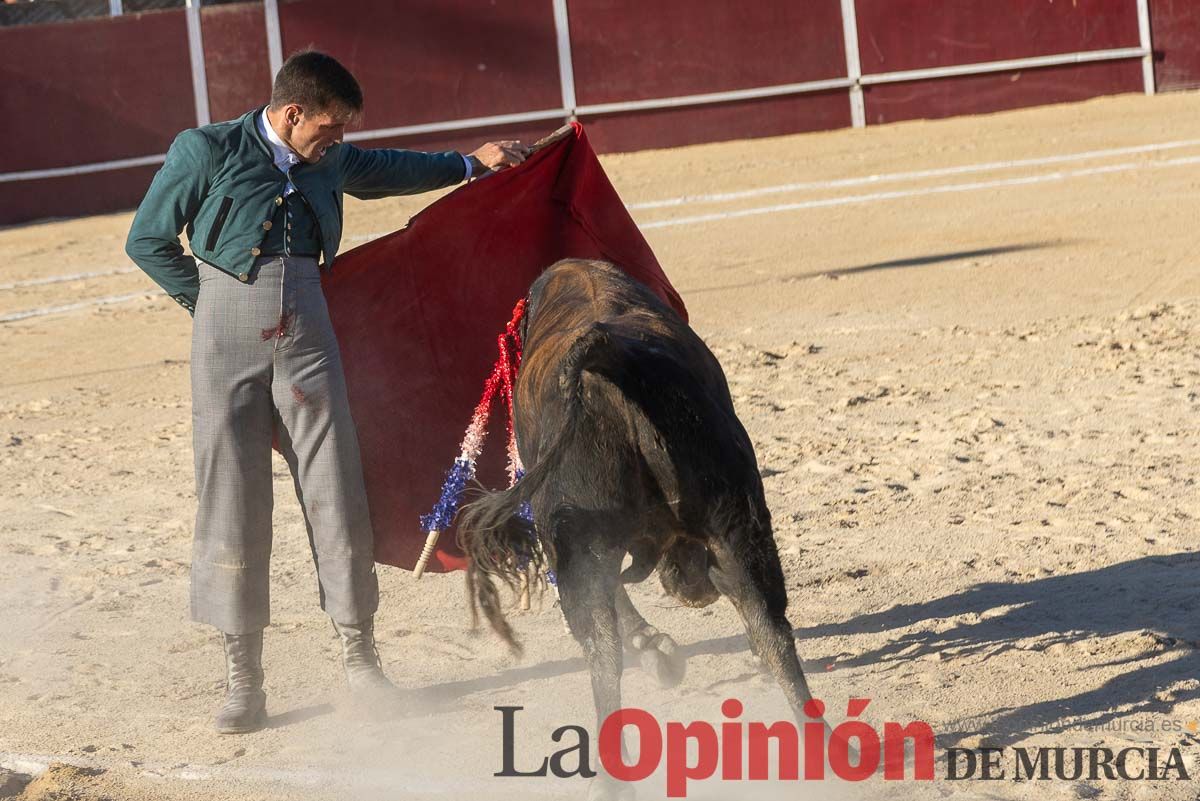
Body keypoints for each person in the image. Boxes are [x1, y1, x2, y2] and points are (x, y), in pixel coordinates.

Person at [125, 50, 529, 734]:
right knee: (232, 497)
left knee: (336, 484)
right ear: (291, 113)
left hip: (307, 334)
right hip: (224, 338)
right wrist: (213, 305)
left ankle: (360, 659)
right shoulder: (206, 149)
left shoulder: (331, 160)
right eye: (330, 129)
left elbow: (389, 168)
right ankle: (243, 680)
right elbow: (148, 239)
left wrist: (468, 162)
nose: (337, 142)